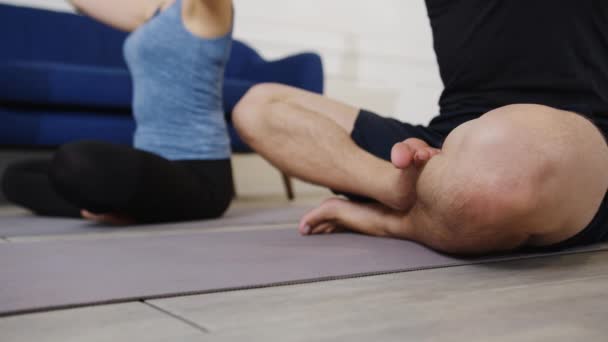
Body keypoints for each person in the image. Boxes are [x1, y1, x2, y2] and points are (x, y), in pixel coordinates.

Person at [231, 0, 608, 254]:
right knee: (258, 106)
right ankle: (395, 189)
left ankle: (390, 221)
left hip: (575, 140)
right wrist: (394, 176)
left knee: (503, 165)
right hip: (449, 138)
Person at [1, 0, 236, 224]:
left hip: (200, 175)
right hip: (152, 164)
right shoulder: (156, 11)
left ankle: (108, 203)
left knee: (77, 161)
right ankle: (104, 208)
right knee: (16, 176)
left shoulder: (208, 11)